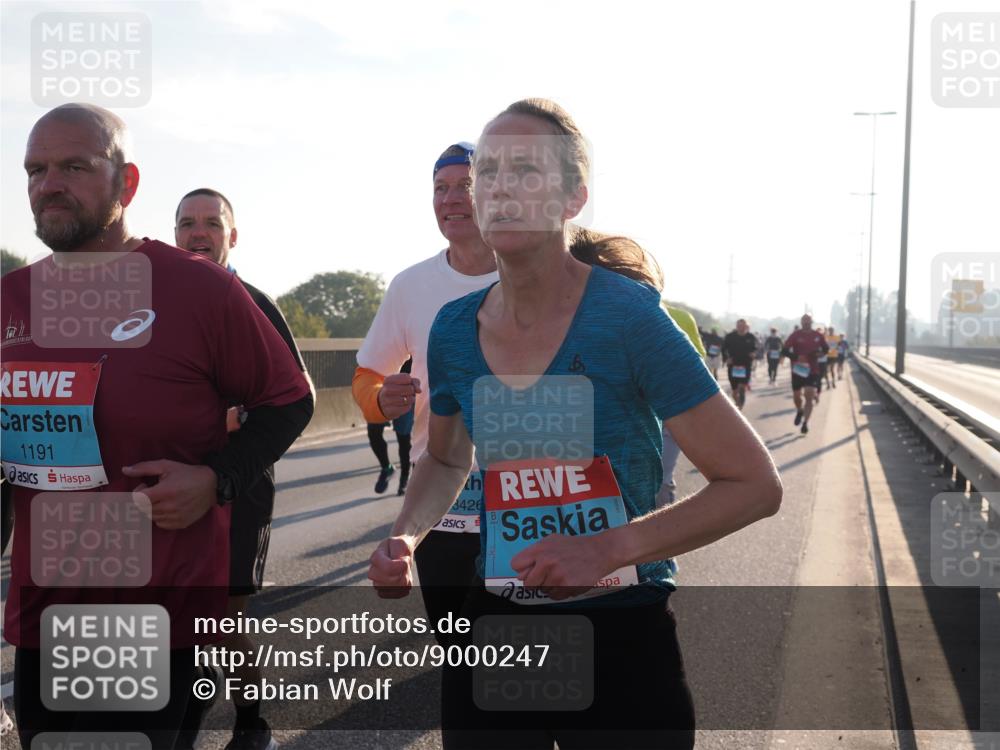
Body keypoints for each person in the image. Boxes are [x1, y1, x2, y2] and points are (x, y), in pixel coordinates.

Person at [367, 98, 782, 750]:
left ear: (572, 197)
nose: (500, 186)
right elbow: (448, 461)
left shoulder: (630, 319)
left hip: (621, 635)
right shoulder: (452, 330)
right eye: (490, 173)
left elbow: (754, 485)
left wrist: (604, 550)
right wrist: (406, 537)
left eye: (526, 170)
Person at [1, 104, 312, 749]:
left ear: (127, 182)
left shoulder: (202, 292)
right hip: (43, 613)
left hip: (156, 610)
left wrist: (218, 478)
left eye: (75, 166)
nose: (49, 183)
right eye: (35, 169)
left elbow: (289, 401)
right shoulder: (9, 300)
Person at [174, 186, 314, 750]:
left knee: (225, 617)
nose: (198, 233)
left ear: (233, 236)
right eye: (187, 223)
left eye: (211, 223)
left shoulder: (254, 304)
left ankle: (252, 720)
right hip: (168, 485)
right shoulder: (154, 306)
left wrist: (234, 419)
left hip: (239, 485)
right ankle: (179, 725)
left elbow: (293, 400)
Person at [352, 142, 499, 640]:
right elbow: (367, 374)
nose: (451, 198)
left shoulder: (537, 277)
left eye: (465, 185)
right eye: (441, 188)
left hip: (529, 503)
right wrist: (380, 398)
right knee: (459, 650)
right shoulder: (411, 285)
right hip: (444, 508)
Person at [659, 306, 706, 507]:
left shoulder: (681, 317)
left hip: (667, 413)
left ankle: (662, 534)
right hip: (630, 415)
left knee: (659, 479)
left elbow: (696, 363)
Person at [366, 360, 414, 495]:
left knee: (403, 437)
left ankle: (404, 478)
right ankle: (386, 468)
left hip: (405, 386)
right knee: (373, 432)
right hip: (379, 386)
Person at [781, 314, 829, 435]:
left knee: (809, 395)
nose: (806, 323)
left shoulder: (818, 335)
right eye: (804, 321)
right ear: (801, 322)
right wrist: (797, 357)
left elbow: (826, 349)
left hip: (813, 370)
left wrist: (820, 354)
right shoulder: (795, 335)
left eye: (808, 321)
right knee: (797, 396)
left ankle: (805, 423)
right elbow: (784, 350)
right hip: (798, 370)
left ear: (811, 322)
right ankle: (799, 410)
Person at [722, 319, 757, 409]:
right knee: (734, 392)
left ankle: (740, 406)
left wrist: (753, 354)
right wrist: (726, 358)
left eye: (743, 326)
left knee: (742, 387)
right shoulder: (730, 337)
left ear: (746, 326)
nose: (741, 327)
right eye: (739, 325)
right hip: (733, 366)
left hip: (745, 366)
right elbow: (723, 349)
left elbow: (755, 348)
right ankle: (737, 402)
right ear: (736, 326)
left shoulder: (751, 337)